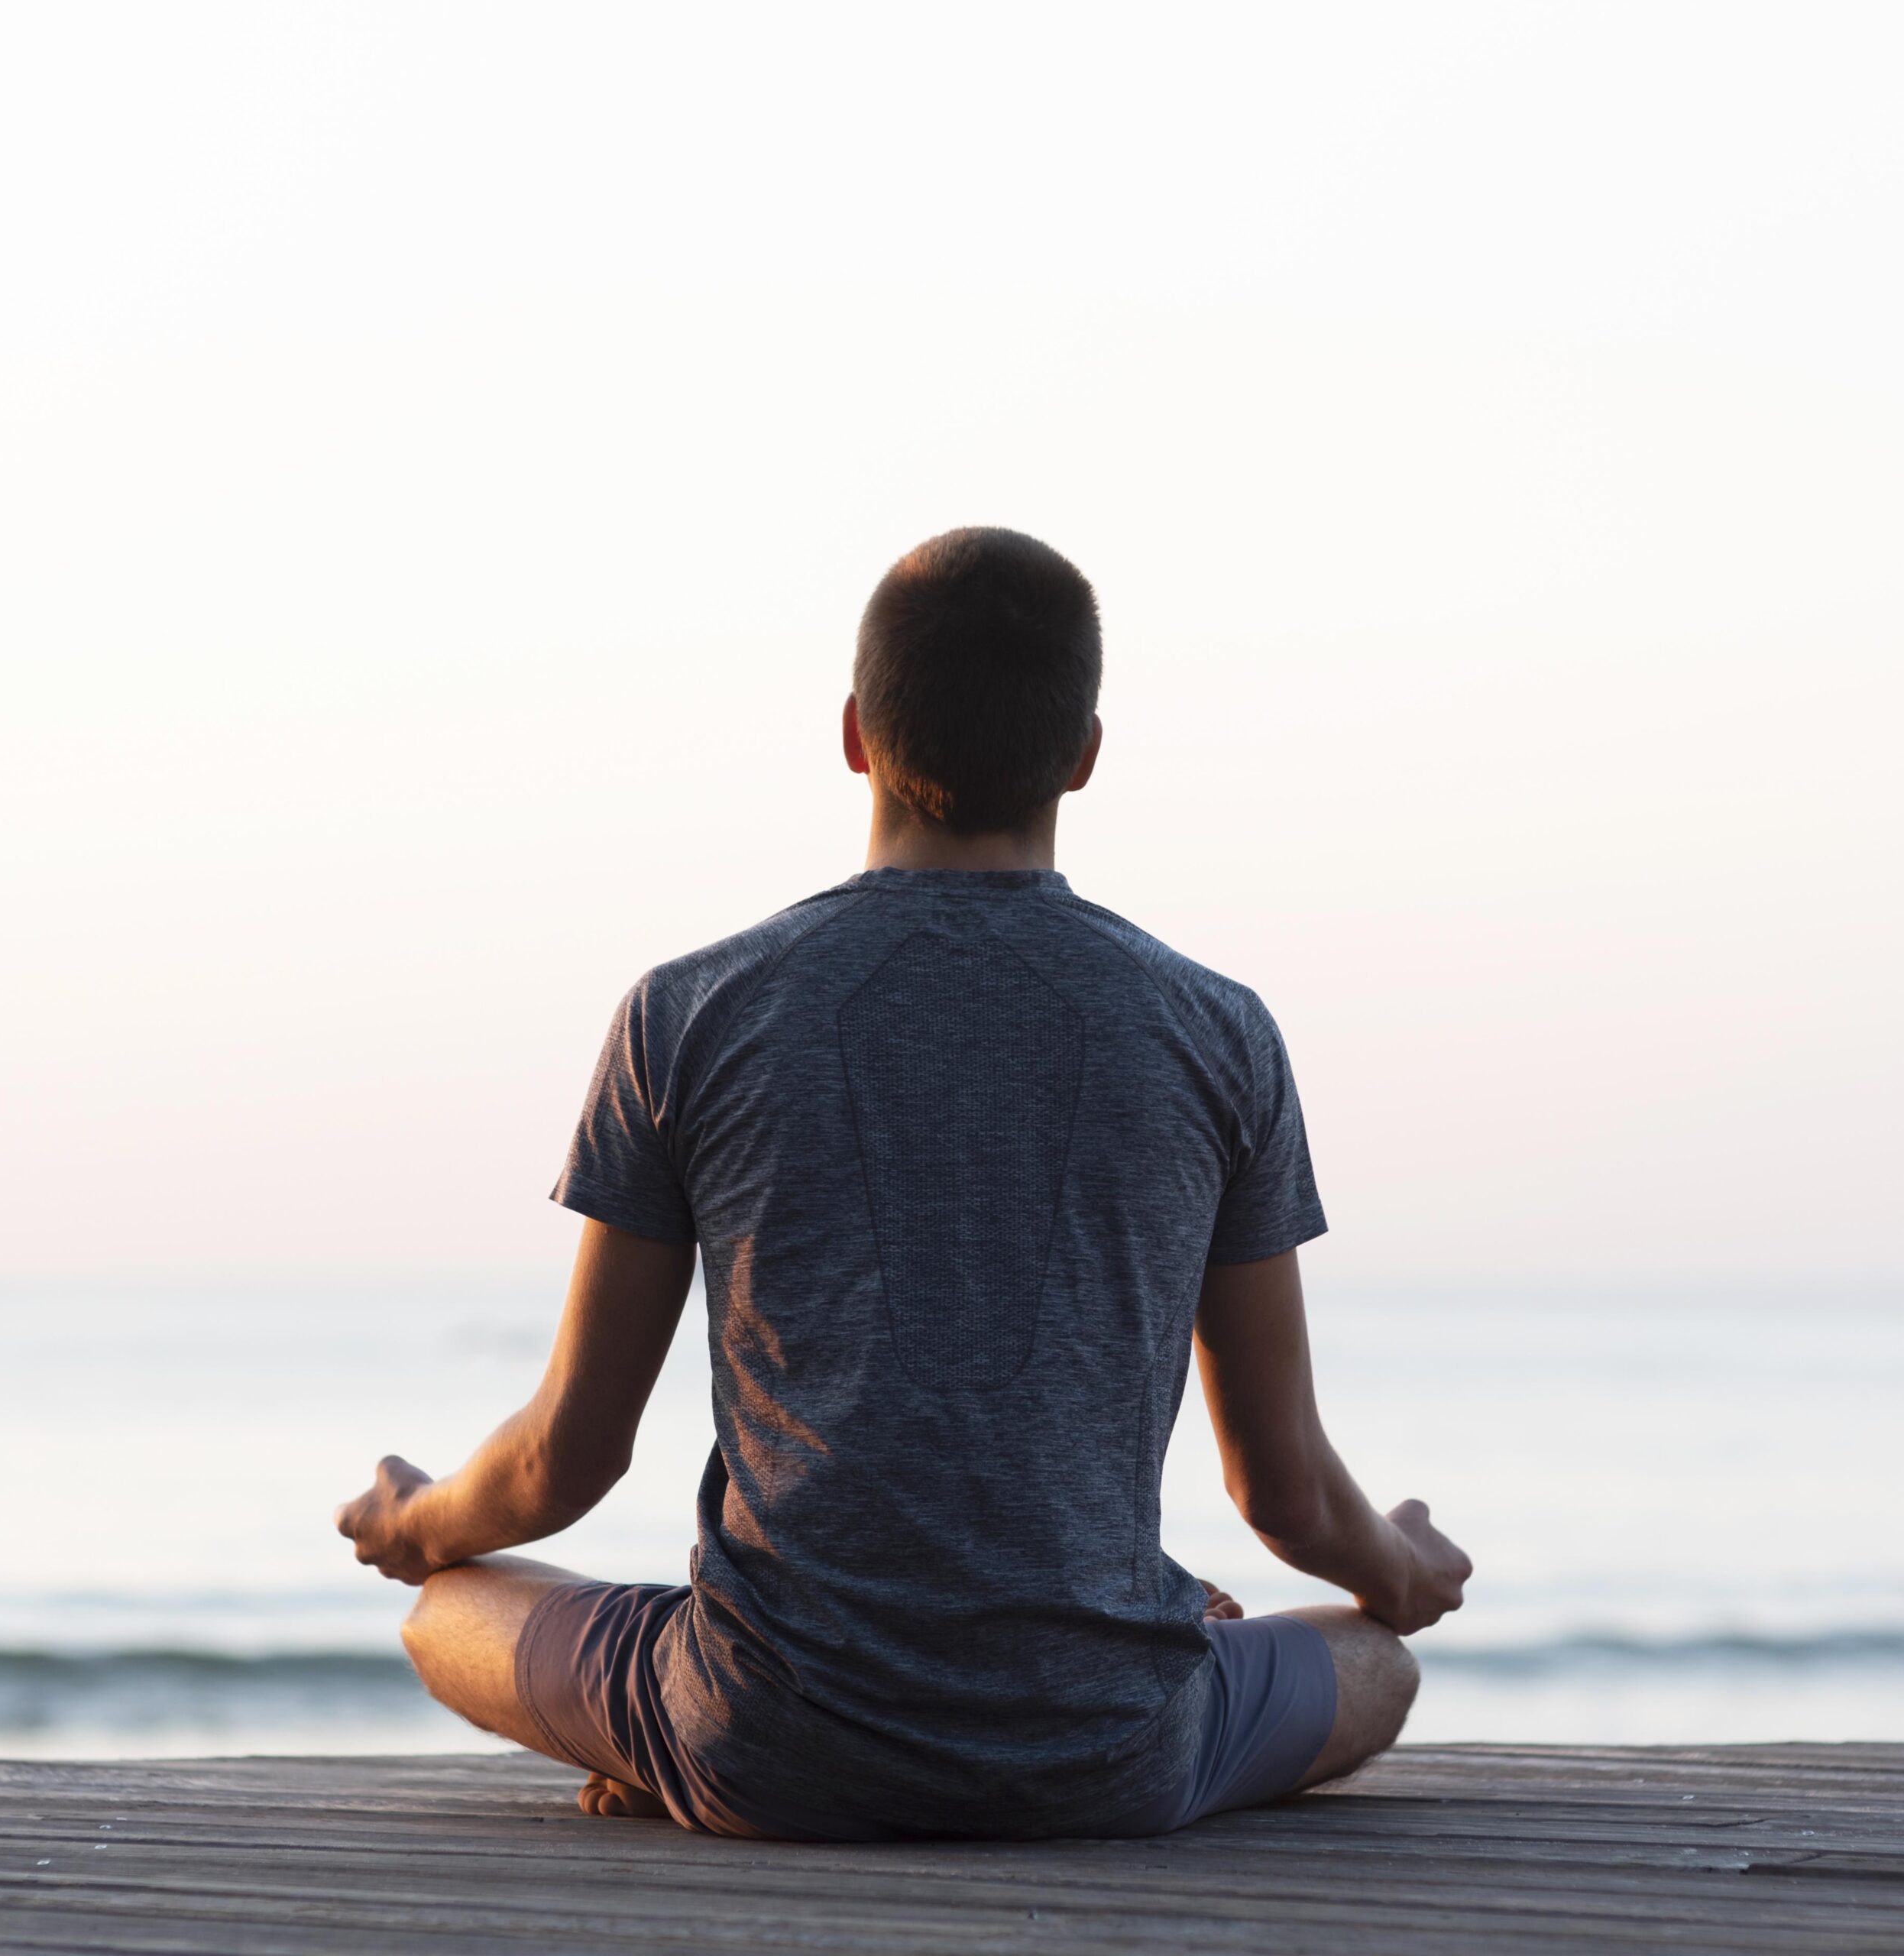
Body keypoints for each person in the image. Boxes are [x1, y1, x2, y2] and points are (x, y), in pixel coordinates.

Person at [334, 526, 1472, 1839]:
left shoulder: (689, 1012)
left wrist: (421, 1524)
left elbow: (567, 1455)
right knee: (1377, 1660)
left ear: (855, 734)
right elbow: (1284, 1492)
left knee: (449, 1617)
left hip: (763, 1745)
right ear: (1085, 755)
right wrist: (1400, 1564)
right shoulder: (1219, 1032)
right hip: (1109, 1756)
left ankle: (663, 1752)